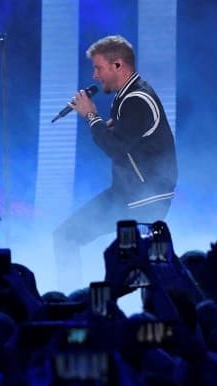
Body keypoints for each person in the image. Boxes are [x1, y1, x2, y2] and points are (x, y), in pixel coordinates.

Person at [52, 35, 178, 290]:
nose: (95, 75)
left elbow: (115, 147)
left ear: (118, 65)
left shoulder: (136, 99)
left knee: (68, 237)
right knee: (135, 264)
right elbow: (126, 139)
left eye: (98, 68)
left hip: (143, 197)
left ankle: (72, 301)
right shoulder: (131, 95)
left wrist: (91, 116)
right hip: (132, 193)